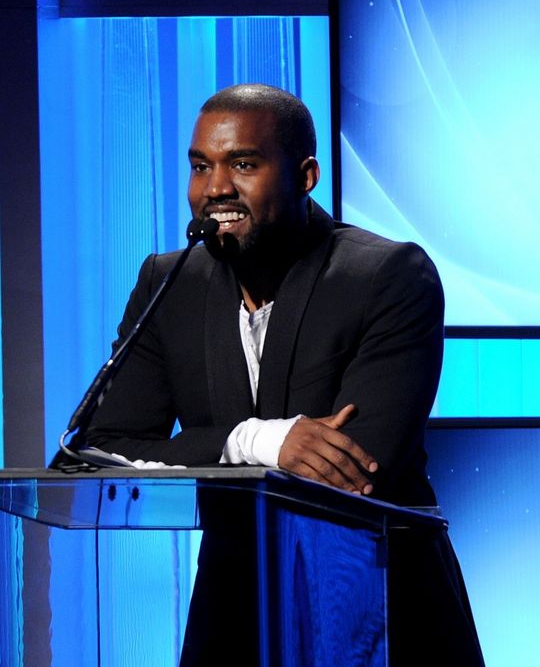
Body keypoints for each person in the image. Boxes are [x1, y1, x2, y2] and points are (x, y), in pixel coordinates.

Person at [82, 84, 484, 665]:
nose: (216, 189)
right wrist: (258, 440)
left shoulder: (387, 275)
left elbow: (355, 470)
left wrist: (202, 451)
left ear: (306, 176)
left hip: (381, 610)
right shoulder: (168, 283)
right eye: (201, 167)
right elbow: (99, 450)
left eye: (243, 164)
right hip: (235, 618)